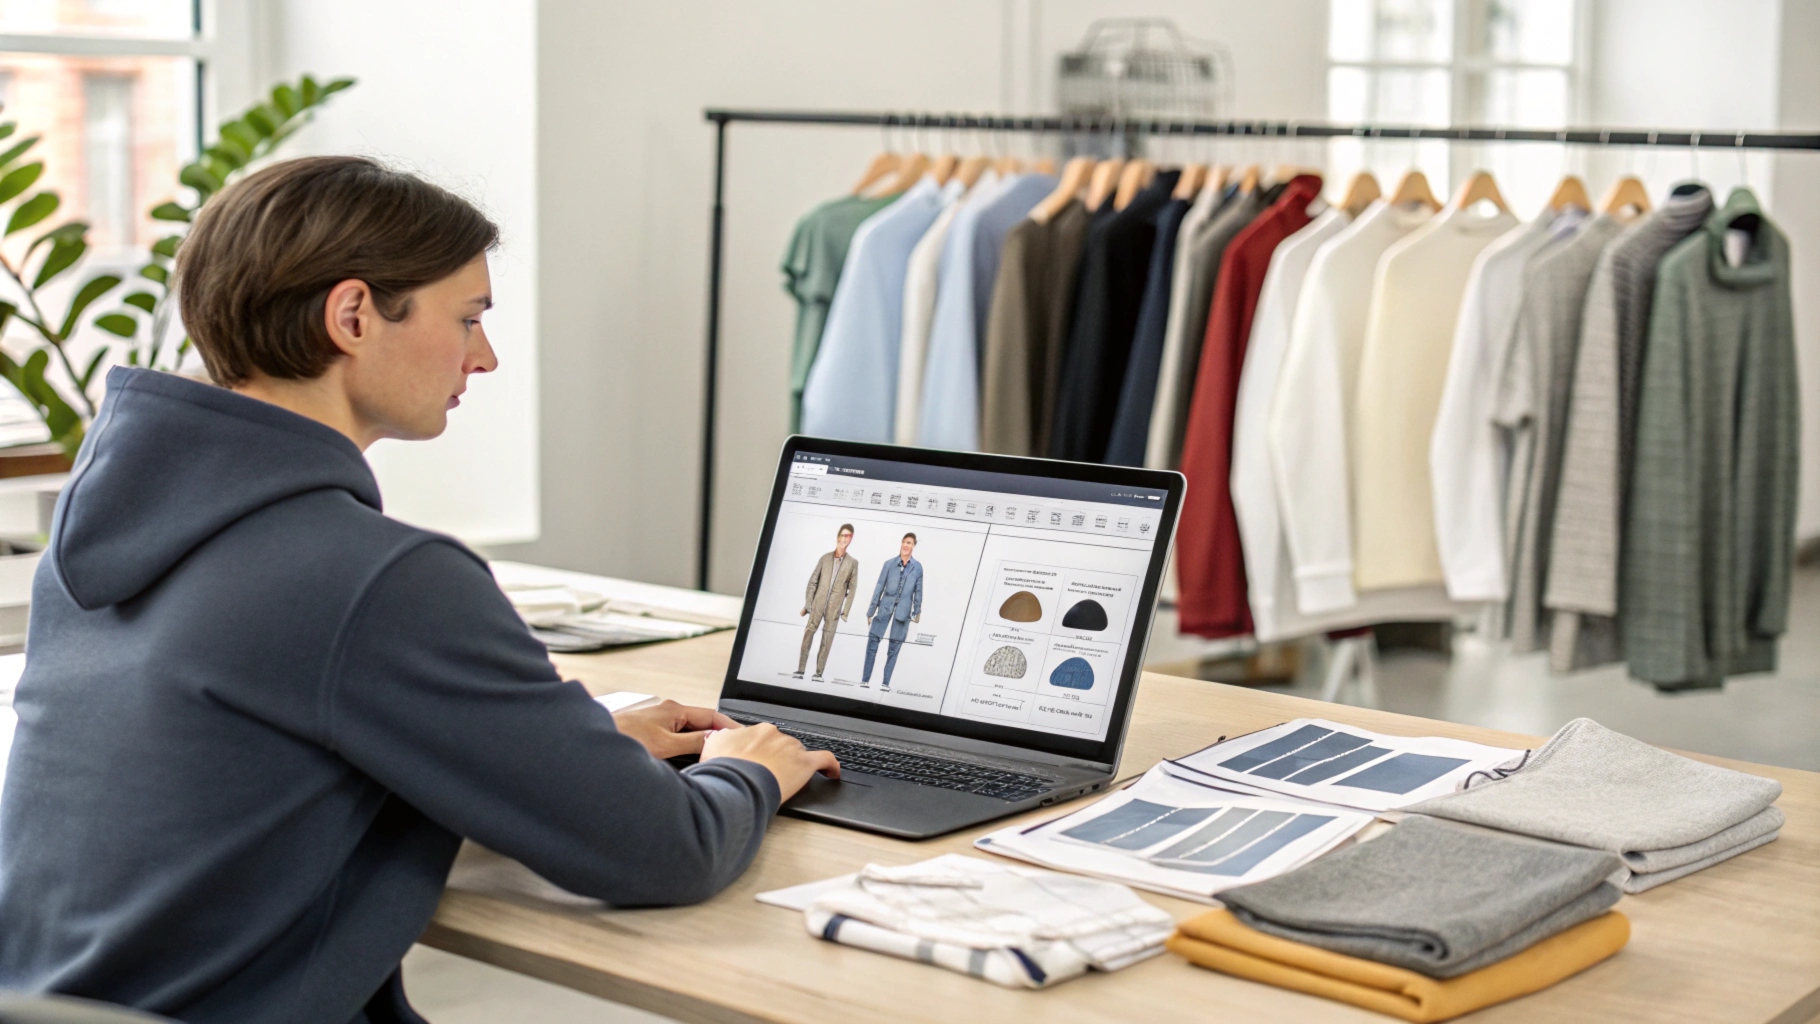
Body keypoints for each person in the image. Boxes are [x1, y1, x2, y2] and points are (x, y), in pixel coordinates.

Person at [0, 156, 837, 1024]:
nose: (487, 356)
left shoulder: (104, 525)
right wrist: (747, 774)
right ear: (354, 314)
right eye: (468, 318)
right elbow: (667, 851)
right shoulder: (375, 577)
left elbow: (254, 755)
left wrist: (563, 748)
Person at [796, 523, 859, 681]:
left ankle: (818, 673)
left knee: (827, 639)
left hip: (834, 608)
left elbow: (852, 589)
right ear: (838, 537)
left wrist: (845, 611)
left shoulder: (853, 563)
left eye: (849, 536)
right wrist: (809, 604)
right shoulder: (825, 558)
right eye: (843, 535)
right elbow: (812, 582)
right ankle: (801, 669)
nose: (845, 538)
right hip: (817, 604)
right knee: (808, 634)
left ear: (851, 540)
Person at [864, 533, 924, 688]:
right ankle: (865, 679)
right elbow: (879, 587)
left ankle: (885, 683)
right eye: (904, 542)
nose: (906, 545)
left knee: (894, 648)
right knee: (872, 642)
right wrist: (871, 611)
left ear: (914, 545)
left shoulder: (917, 568)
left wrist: (916, 612)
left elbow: (918, 591)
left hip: (903, 613)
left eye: (909, 543)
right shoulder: (889, 564)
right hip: (884, 608)